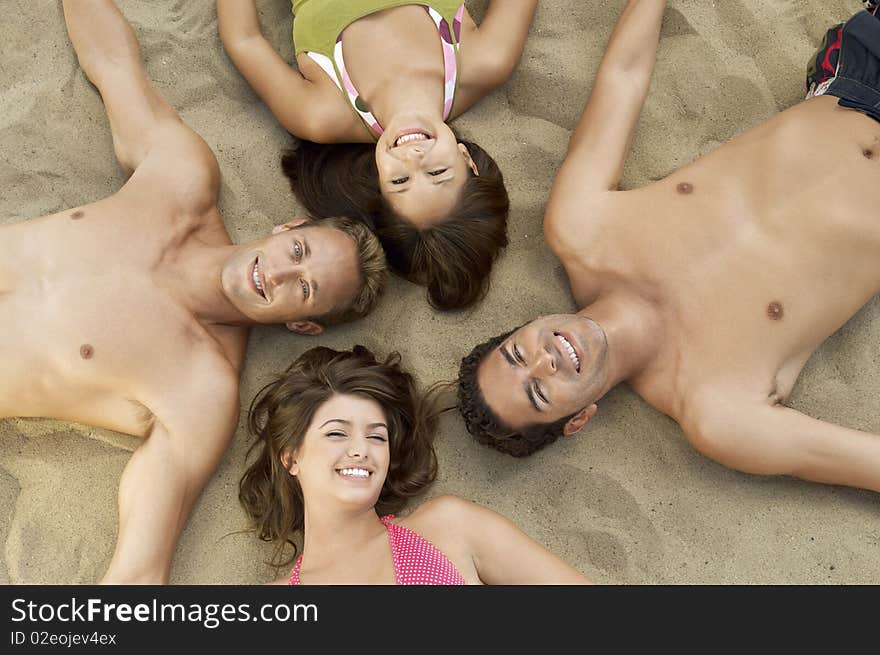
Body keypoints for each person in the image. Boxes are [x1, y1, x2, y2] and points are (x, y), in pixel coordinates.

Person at [0, 0, 386, 584]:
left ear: (302, 325)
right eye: (299, 254)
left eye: (303, 291)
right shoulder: (180, 178)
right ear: (287, 230)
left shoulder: (199, 390)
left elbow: (141, 568)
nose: (279, 274)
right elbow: (112, 61)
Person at [457, 0, 880, 494]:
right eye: (539, 391)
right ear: (577, 420)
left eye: (515, 355)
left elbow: (624, 77)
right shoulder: (718, 411)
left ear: (522, 328)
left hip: (857, 82)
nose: (543, 360)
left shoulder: (581, 229)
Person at [217, 1, 538, 310]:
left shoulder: (322, 113)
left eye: (400, 180)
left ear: (379, 180)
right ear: (466, 160)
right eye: (438, 173)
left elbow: (244, 38)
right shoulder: (486, 61)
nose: (413, 157)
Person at [240, 346, 590, 584]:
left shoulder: (449, 527)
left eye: (377, 437)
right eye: (336, 434)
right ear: (292, 457)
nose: (361, 450)